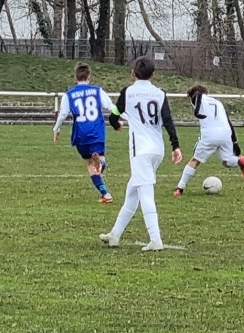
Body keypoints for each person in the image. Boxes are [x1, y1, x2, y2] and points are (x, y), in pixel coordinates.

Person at [99, 56, 182, 252]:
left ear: (133, 73)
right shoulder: (160, 93)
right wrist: (175, 145)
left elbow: (114, 115)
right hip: (157, 150)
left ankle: (155, 239)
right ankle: (115, 235)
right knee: (132, 192)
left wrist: (116, 124)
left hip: (140, 150)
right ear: (153, 74)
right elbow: (168, 120)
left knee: (145, 193)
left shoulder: (128, 92)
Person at [52, 62, 115, 203]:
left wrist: (56, 129)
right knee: (99, 159)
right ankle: (101, 162)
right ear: (89, 77)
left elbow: (63, 114)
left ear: (75, 78)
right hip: (96, 132)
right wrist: (127, 118)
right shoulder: (97, 91)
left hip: (81, 134)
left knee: (90, 164)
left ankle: (105, 194)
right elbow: (110, 107)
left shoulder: (69, 95)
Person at [173, 85, 244, 195]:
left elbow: (197, 96)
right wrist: (235, 142)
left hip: (210, 134)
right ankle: (239, 161)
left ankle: (179, 188)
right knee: (227, 162)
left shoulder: (198, 98)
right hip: (226, 133)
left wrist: (196, 111)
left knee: (195, 160)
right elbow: (229, 122)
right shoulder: (218, 103)